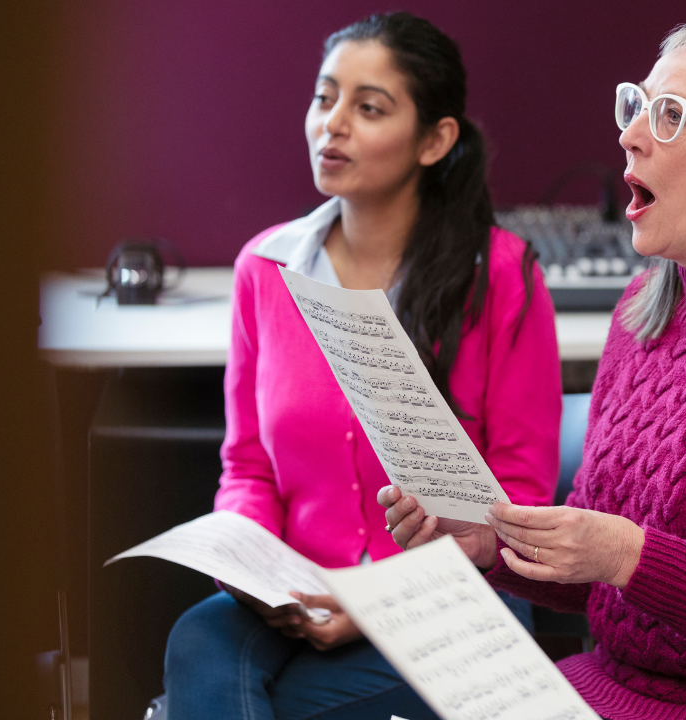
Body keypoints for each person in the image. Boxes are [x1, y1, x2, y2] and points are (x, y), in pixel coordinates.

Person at [382, 20, 686, 719]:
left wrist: (628, 555)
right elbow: (597, 585)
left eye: (671, 115)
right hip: (586, 686)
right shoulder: (636, 316)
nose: (633, 134)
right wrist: (493, 548)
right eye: (638, 106)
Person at [162, 12, 562, 720]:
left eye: (368, 107)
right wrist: (255, 574)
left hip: (454, 597)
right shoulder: (266, 268)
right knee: (200, 638)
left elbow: (519, 498)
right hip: (296, 597)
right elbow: (248, 469)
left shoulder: (501, 275)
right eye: (324, 98)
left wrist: (371, 604)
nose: (332, 125)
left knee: (242, 702)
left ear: (435, 140)